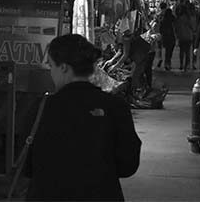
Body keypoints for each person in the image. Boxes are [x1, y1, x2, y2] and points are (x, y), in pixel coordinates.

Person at [25, 34, 141, 201]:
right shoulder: (116, 106)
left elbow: (27, 167)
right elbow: (128, 165)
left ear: (64, 67)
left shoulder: (42, 108)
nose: (51, 73)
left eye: (51, 66)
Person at [174, 0, 195, 72]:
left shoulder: (178, 19)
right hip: (188, 36)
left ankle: (181, 64)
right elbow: (192, 26)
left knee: (181, 51)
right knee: (188, 52)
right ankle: (187, 65)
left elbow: (176, 28)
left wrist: (177, 36)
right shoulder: (188, 18)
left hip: (181, 36)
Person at [157, 2, 176, 70]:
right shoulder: (172, 18)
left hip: (164, 36)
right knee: (169, 51)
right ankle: (168, 62)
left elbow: (159, 27)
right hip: (171, 36)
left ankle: (161, 59)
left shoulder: (161, 17)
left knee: (161, 48)